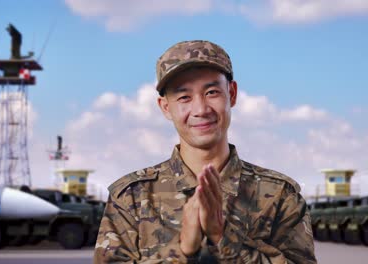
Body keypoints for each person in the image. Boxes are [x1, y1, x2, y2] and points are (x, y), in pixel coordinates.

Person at [94, 40, 317, 263]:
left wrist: (223, 238)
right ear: (165, 107)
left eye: (211, 92)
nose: (201, 109)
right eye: (184, 97)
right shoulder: (131, 198)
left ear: (232, 93)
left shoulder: (279, 196)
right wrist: (182, 251)